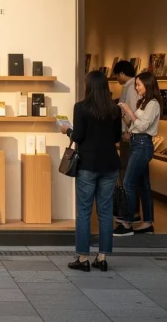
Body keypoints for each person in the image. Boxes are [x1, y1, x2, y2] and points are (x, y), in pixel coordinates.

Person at [60, 71, 122, 272]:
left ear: (88, 86)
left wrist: (66, 131)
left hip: (88, 164)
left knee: (84, 212)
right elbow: (116, 137)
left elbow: (78, 135)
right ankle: (102, 257)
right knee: (105, 211)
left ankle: (83, 257)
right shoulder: (114, 109)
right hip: (110, 165)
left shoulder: (81, 108)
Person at [115, 71, 161, 236]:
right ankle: (147, 223)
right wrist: (126, 116)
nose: (136, 88)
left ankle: (127, 223)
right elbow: (134, 125)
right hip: (136, 142)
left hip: (142, 144)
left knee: (127, 183)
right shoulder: (144, 103)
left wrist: (128, 109)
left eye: (139, 85)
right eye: (136, 84)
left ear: (148, 85)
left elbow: (142, 127)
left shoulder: (153, 104)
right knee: (143, 185)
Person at [113, 60, 141, 222]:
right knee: (130, 174)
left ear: (122, 73)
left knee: (128, 174)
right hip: (129, 135)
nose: (117, 78)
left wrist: (126, 131)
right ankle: (132, 211)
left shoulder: (131, 88)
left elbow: (131, 112)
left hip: (128, 136)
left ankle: (130, 213)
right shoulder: (131, 87)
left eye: (117, 74)